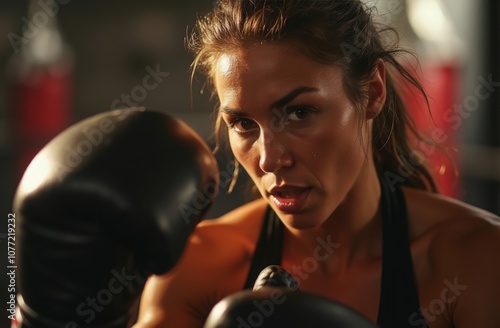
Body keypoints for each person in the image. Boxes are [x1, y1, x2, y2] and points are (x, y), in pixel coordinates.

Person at [134, 1, 500, 327]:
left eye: (299, 112)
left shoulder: (477, 260)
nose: (270, 159)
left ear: (372, 92)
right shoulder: (198, 266)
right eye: (244, 124)